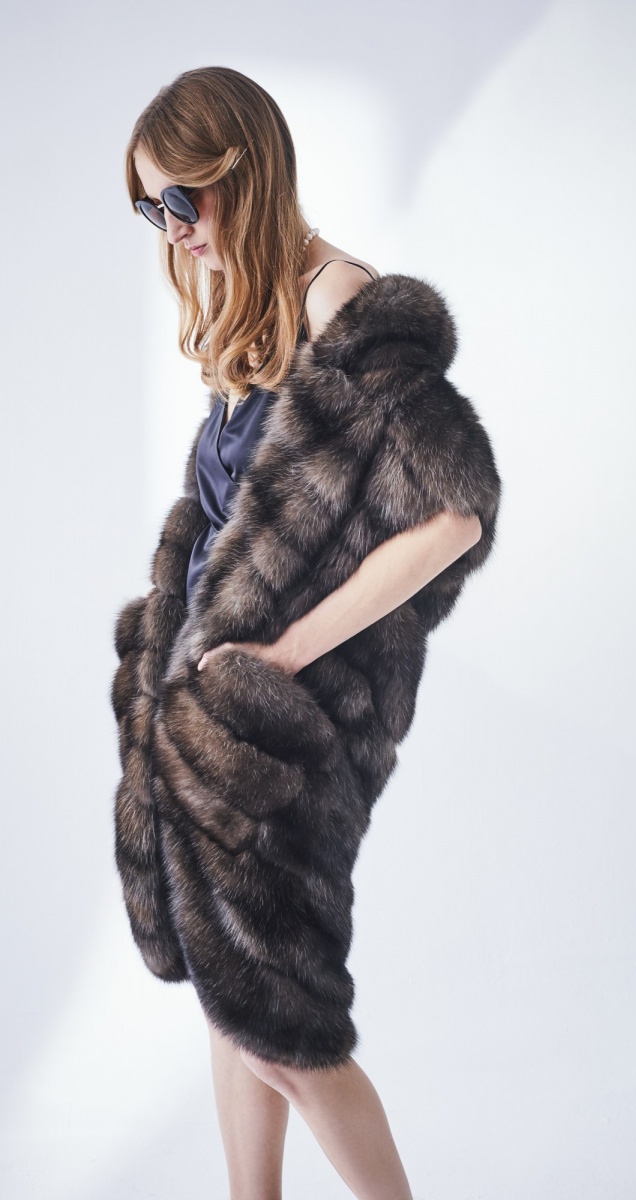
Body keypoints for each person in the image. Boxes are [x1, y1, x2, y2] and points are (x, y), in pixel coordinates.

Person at [117, 65, 499, 1200]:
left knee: (288, 1030)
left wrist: (283, 659)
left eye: (180, 198)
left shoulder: (341, 304)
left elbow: (454, 516)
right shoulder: (251, 303)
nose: (172, 230)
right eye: (146, 208)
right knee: (234, 1004)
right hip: (210, 712)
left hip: (290, 725)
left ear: (244, 172)